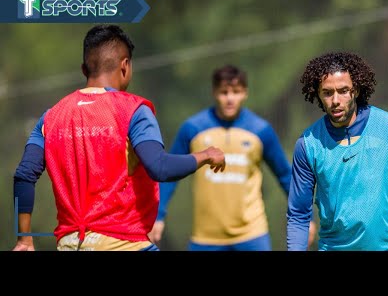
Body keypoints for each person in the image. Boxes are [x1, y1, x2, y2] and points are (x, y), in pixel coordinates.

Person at [12, 24, 225, 251]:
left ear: (84, 69)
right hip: (123, 243)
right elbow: (160, 167)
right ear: (125, 66)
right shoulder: (132, 110)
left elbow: (24, 176)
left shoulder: (51, 117)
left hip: (69, 244)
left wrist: (24, 239)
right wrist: (205, 155)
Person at [287, 51, 388, 251]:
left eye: (343, 90)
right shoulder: (308, 144)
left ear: (357, 90)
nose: (335, 100)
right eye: (327, 92)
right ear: (317, 94)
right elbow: (299, 214)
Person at [149, 64, 315, 251]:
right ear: (214, 92)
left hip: (252, 235)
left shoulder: (260, 130)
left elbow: (286, 176)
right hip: (205, 238)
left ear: (245, 93)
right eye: (224, 92)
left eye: (236, 92)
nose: (230, 98)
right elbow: (169, 175)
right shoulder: (193, 128)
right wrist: (158, 216)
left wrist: (306, 219)